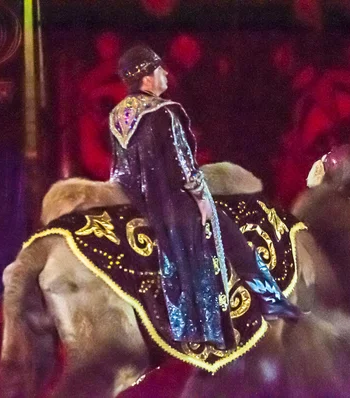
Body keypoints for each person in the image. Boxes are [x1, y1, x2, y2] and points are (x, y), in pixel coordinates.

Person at [109, 45, 300, 348]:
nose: (166, 74)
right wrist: (202, 201)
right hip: (179, 206)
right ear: (146, 78)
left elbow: (120, 172)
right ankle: (271, 301)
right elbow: (184, 164)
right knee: (235, 240)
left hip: (146, 209)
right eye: (160, 70)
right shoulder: (166, 112)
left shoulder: (118, 117)